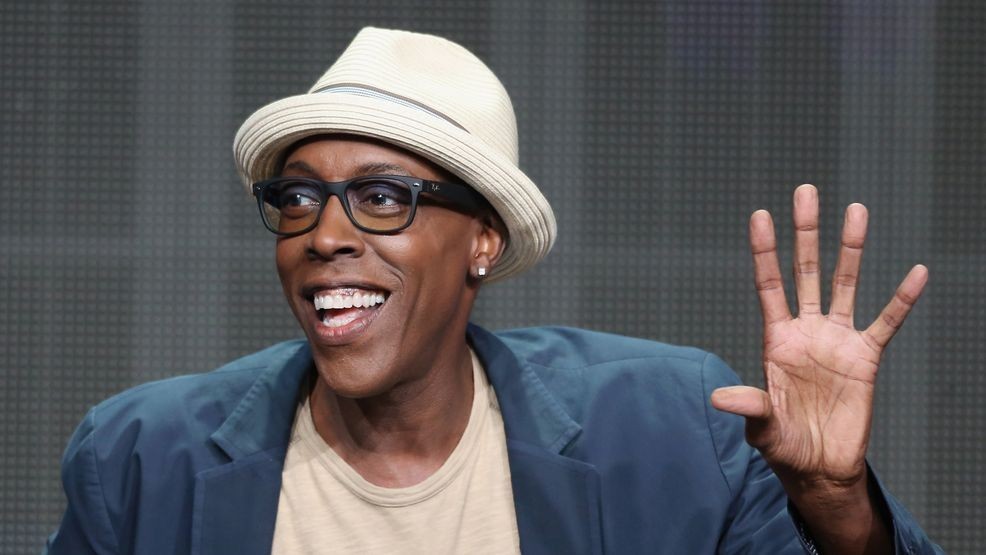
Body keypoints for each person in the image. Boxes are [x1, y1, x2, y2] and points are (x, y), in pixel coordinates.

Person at [45, 27, 942, 554]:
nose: (323, 234)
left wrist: (836, 506)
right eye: (298, 197)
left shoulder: (677, 432)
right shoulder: (140, 460)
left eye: (382, 197)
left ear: (484, 239)